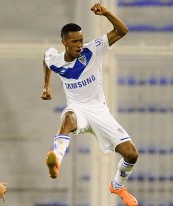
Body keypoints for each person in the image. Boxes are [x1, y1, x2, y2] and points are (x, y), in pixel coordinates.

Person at [41, 3, 139, 206]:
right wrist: (46, 86)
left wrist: (107, 14)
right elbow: (46, 59)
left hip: (99, 111)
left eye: (81, 40)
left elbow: (122, 30)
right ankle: (56, 160)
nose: (79, 45)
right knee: (68, 118)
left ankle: (117, 186)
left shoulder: (93, 49)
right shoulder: (56, 60)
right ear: (64, 42)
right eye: (74, 41)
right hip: (78, 108)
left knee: (131, 154)